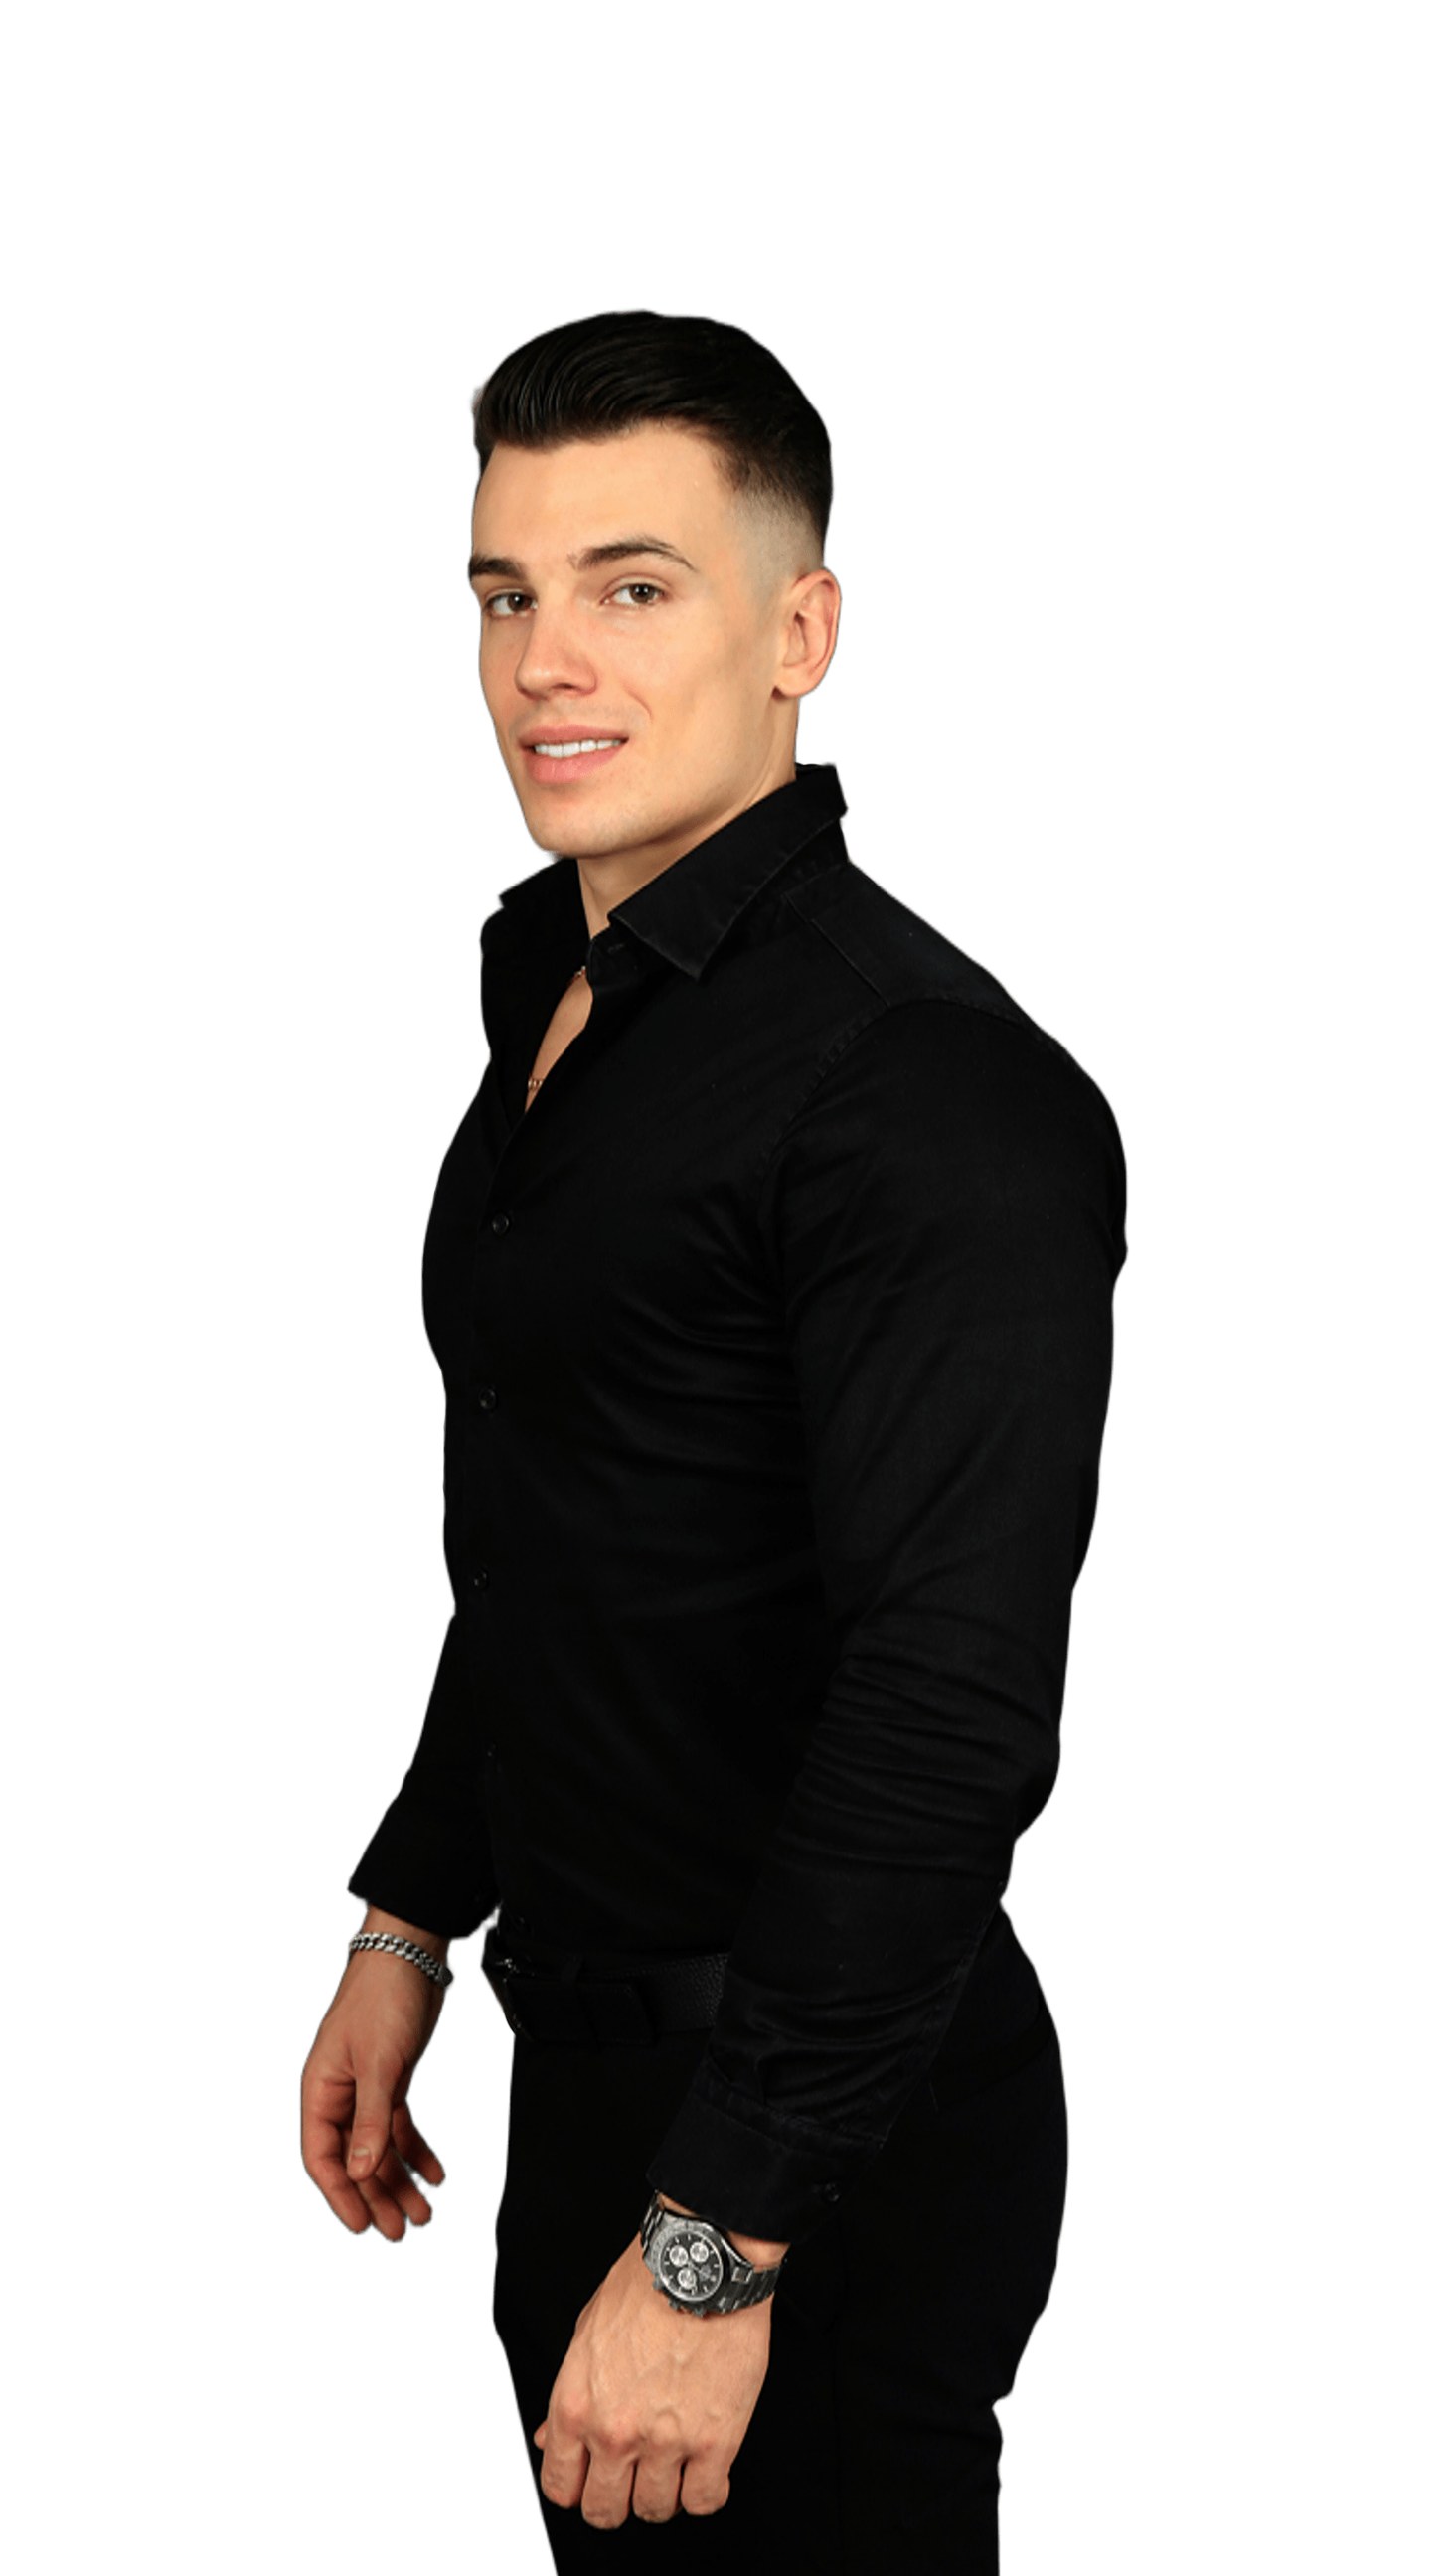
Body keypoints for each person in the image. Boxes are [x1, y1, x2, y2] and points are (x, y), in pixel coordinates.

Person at [298, 305, 1129, 2572]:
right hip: (600, 2080)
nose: (544, 662)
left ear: (800, 634)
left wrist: (712, 2248)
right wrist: (412, 1916)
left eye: (633, 587)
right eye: (504, 593)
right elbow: (571, 1532)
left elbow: (947, 1705)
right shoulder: (565, 1001)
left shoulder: (920, 1087)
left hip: (811, 2140)